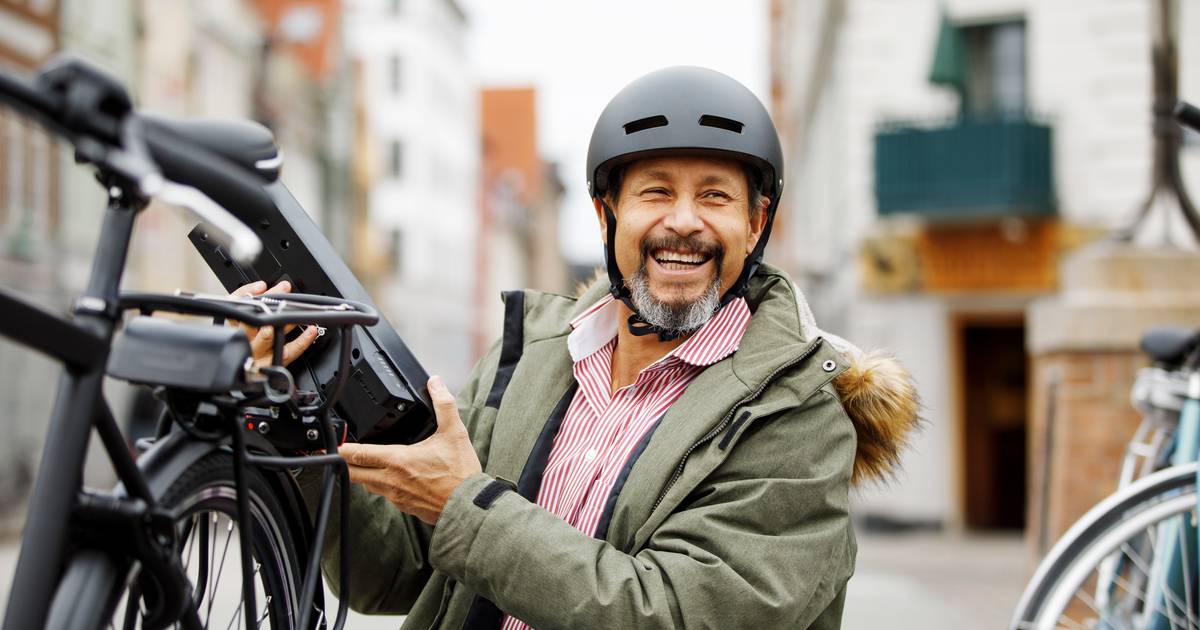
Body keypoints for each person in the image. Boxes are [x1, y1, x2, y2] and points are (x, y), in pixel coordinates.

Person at [242, 66, 920, 629]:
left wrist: (464, 507)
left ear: (756, 221)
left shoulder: (798, 413)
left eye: (714, 196)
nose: (683, 222)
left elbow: (675, 613)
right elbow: (391, 574)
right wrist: (299, 407)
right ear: (606, 213)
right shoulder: (532, 357)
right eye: (655, 192)